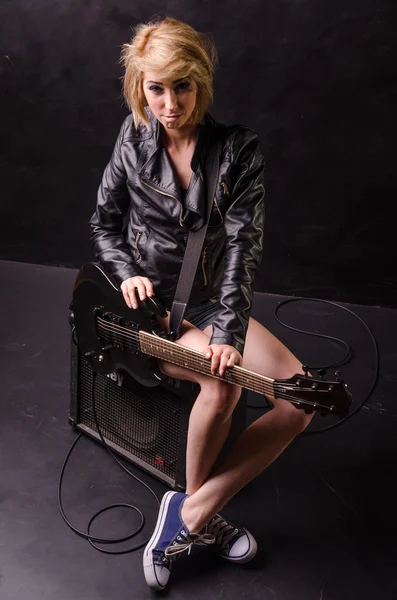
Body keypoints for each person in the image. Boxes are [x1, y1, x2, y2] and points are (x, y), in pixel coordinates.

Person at [89, 16, 314, 591]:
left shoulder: (238, 151)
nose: (169, 103)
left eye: (181, 87)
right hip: (151, 311)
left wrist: (228, 333)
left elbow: (245, 247)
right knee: (224, 385)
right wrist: (128, 273)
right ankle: (203, 520)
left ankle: (189, 511)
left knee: (299, 396)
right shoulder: (132, 137)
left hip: (215, 303)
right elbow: (104, 224)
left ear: (202, 83)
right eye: (155, 88)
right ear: (140, 86)